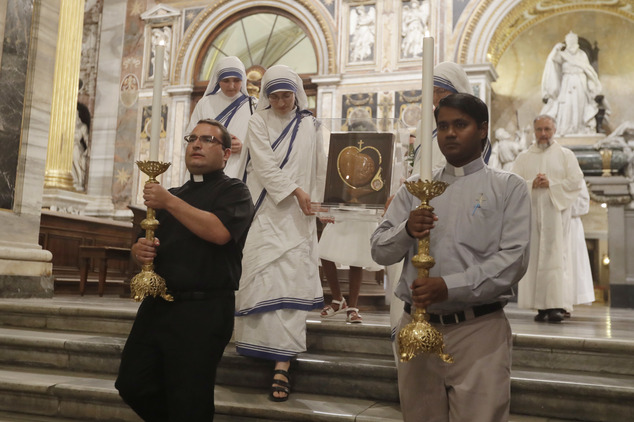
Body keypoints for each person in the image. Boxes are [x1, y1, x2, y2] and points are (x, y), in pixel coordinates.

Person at [371, 93, 531, 422]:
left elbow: (512, 261)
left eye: (461, 125)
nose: (450, 134)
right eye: (443, 126)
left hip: (478, 331)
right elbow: (378, 249)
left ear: (483, 129)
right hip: (417, 328)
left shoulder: (508, 188)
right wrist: (406, 230)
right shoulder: (416, 188)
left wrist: (449, 286)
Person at [115, 119, 254, 421]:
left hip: (203, 309)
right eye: (192, 138)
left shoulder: (235, 191)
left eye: (208, 139)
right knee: (132, 382)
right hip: (159, 306)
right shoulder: (173, 194)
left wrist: (169, 201)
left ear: (226, 153)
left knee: (189, 399)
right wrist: (139, 252)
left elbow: (219, 233)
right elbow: (147, 243)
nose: (197, 144)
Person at [233, 65, 327, 402]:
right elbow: (262, 164)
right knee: (263, 278)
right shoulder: (257, 121)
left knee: (291, 284)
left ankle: (282, 366)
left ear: (296, 94)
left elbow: (320, 167)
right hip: (265, 212)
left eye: (286, 94)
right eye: (274, 95)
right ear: (266, 96)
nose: (281, 101)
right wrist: (295, 191)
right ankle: (260, 347)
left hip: (299, 220)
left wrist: (322, 205)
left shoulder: (311, 125)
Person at [512, 114, 584, 322]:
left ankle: (556, 306)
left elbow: (575, 181)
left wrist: (551, 183)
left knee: (555, 259)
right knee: (535, 258)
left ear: (554, 130)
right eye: (539, 130)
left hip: (556, 216)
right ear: (533, 131)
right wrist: (530, 183)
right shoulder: (524, 157)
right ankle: (540, 307)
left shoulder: (565, 155)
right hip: (533, 217)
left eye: (547, 130)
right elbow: (512, 183)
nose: (543, 134)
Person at [412, 61, 492, 173]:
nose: (435, 98)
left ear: (457, 89)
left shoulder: (471, 123)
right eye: (431, 92)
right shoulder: (424, 124)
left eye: (440, 91)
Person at [186, 56, 256, 179]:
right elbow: (189, 137)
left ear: (243, 80)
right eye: (226, 81)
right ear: (218, 80)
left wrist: (244, 146)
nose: (231, 86)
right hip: (207, 169)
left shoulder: (253, 106)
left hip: (240, 169)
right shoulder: (205, 103)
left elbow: (264, 142)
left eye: (236, 80)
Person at [541, 31, 602, 136]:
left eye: (573, 41)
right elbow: (552, 61)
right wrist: (555, 49)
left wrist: (592, 88)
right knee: (567, 106)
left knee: (580, 105)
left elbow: (588, 71)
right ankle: (567, 129)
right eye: (569, 41)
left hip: (580, 83)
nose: (571, 43)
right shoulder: (562, 54)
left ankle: (580, 128)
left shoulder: (582, 54)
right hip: (567, 83)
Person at [570, 180, 595, 307]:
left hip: (570, 225)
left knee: (573, 264)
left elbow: (584, 204)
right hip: (550, 224)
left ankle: (566, 302)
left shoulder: (576, 175)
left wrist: (562, 201)